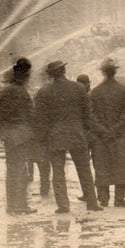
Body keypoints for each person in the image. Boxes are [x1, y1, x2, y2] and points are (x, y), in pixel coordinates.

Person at [34, 60, 100, 213]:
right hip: (77, 134)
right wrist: (86, 131)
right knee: (84, 169)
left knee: (58, 172)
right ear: (64, 71)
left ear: (50, 75)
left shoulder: (44, 91)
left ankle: (63, 205)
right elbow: (87, 114)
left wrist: (43, 138)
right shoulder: (79, 88)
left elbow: (40, 119)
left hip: (55, 136)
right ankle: (92, 203)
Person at [89, 57, 125, 207]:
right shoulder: (124, 90)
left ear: (103, 73)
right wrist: (115, 130)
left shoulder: (95, 92)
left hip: (101, 136)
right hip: (120, 135)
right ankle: (119, 199)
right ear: (115, 72)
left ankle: (103, 199)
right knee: (121, 165)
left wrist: (103, 131)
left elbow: (92, 116)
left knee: (102, 165)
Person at [0, 57, 37, 215]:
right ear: (25, 75)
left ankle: (14, 205)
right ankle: (19, 206)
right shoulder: (20, 91)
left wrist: (2, 132)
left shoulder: (6, 91)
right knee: (20, 171)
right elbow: (29, 114)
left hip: (10, 134)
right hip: (21, 134)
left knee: (13, 170)